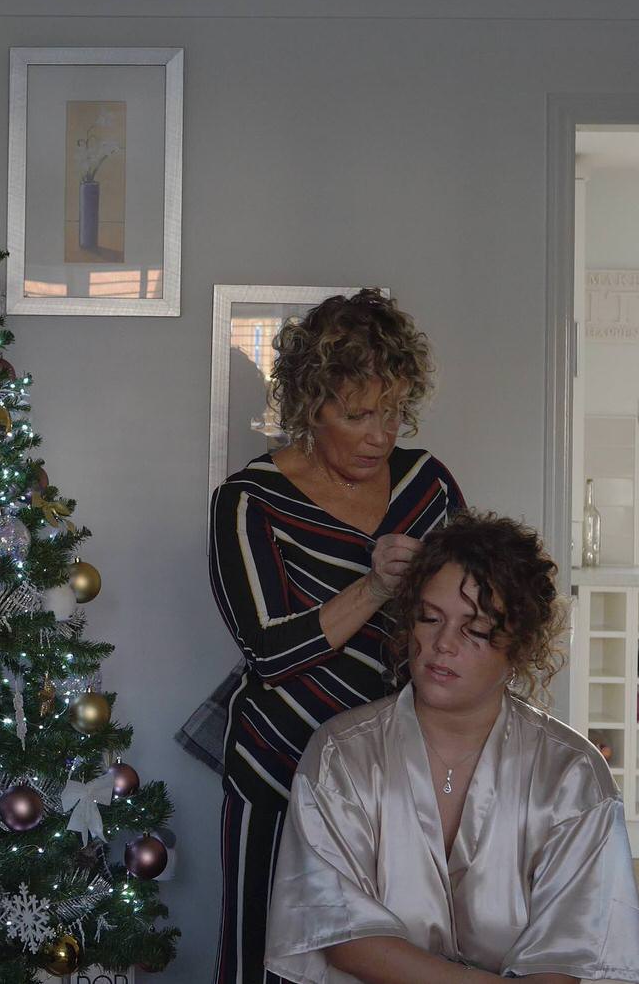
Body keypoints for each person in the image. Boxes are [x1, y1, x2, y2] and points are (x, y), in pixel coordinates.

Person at [184, 289, 467, 984]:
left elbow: (467, 614)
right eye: (358, 413)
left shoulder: (428, 486)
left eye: (394, 410)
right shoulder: (249, 501)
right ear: (311, 406)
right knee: (264, 945)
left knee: (388, 945)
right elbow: (269, 651)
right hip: (278, 762)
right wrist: (372, 587)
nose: (380, 433)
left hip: (398, 768)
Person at [265, 513, 639, 984]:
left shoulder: (571, 773)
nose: (442, 644)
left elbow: (576, 952)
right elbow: (341, 933)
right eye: (429, 618)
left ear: (521, 644)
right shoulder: (342, 754)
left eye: (475, 628)